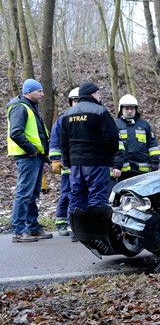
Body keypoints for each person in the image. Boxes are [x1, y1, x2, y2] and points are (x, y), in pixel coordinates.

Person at [60, 82, 120, 219]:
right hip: (97, 162)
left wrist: (68, 162)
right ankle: (95, 232)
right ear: (92, 94)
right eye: (98, 93)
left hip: (76, 164)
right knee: (97, 197)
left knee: (76, 196)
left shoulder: (68, 114)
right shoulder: (100, 111)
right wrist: (110, 156)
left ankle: (76, 230)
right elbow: (112, 137)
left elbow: (64, 142)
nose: (99, 96)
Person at [6, 79, 53, 243]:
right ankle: (19, 230)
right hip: (27, 157)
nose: (42, 94)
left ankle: (33, 228)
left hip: (35, 157)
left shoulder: (31, 107)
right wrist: (32, 151)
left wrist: (44, 158)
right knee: (24, 193)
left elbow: (40, 135)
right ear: (28, 92)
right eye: (39, 91)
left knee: (32, 193)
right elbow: (16, 133)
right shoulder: (20, 107)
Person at [49, 87, 80, 238]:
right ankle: (62, 222)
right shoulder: (63, 119)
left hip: (81, 164)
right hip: (68, 165)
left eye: (79, 100)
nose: (77, 103)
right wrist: (55, 159)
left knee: (78, 194)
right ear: (70, 102)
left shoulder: (87, 118)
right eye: (75, 100)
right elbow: (54, 140)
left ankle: (74, 223)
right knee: (66, 193)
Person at [113, 94, 160, 181]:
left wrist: (155, 162)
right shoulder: (115, 125)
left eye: (132, 108)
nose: (130, 111)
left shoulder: (144, 125)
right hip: (123, 171)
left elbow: (152, 145)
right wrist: (116, 166)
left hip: (142, 171)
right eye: (127, 108)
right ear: (121, 109)